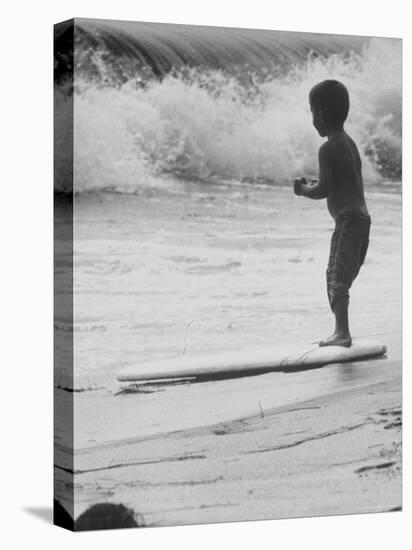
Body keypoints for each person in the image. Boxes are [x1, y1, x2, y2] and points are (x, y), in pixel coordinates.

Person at [294, 79, 370, 347]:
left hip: (347, 221)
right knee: (341, 277)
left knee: (335, 277)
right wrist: (313, 184)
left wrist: (303, 190)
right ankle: (342, 330)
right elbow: (343, 181)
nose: (312, 118)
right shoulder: (348, 143)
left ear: (322, 114)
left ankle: (342, 333)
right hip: (362, 221)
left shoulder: (327, 148)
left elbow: (324, 189)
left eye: (312, 111)